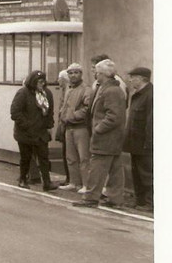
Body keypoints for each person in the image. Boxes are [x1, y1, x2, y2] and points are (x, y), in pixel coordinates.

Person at [74, 59, 126, 209]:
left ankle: (91, 197)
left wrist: (98, 129)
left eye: (96, 72)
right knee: (115, 168)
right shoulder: (109, 89)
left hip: (106, 137)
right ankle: (115, 198)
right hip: (112, 137)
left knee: (97, 167)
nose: (95, 75)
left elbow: (114, 116)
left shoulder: (110, 91)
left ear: (102, 74)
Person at [10, 70, 59, 191]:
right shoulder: (23, 93)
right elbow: (15, 112)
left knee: (44, 157)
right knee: (25, 157)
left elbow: (49, 112)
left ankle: (47, 182)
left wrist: (49, 126)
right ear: (32, 82)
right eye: (38, 82)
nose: (41, 84)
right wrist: (27, 125)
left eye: (43, 81)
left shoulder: (47, 93)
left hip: (41, 132)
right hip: (25, 132)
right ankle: (23, 179)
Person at [56, 63, 92, 193]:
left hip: (81, 127)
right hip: (68, 127)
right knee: (70, 157)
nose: (73, 75)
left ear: (81, 74)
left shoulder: (86, 89)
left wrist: (72, 116)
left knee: (84, 157)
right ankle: (73, 182)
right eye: (70, 73)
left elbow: (87, 108)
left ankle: (86, 184)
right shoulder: (68, 89)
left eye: (76, 72)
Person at [123, 66, 153, 212]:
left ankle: (150, 202)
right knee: (137, 172)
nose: (130, 80)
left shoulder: (150, 95)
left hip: (145, 143)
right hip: (135, 142)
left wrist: (150, 142)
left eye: (132, 77)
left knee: (147, 173)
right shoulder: (139, 94)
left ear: (141, 79)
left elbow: (151, 122)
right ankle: (140, 200)